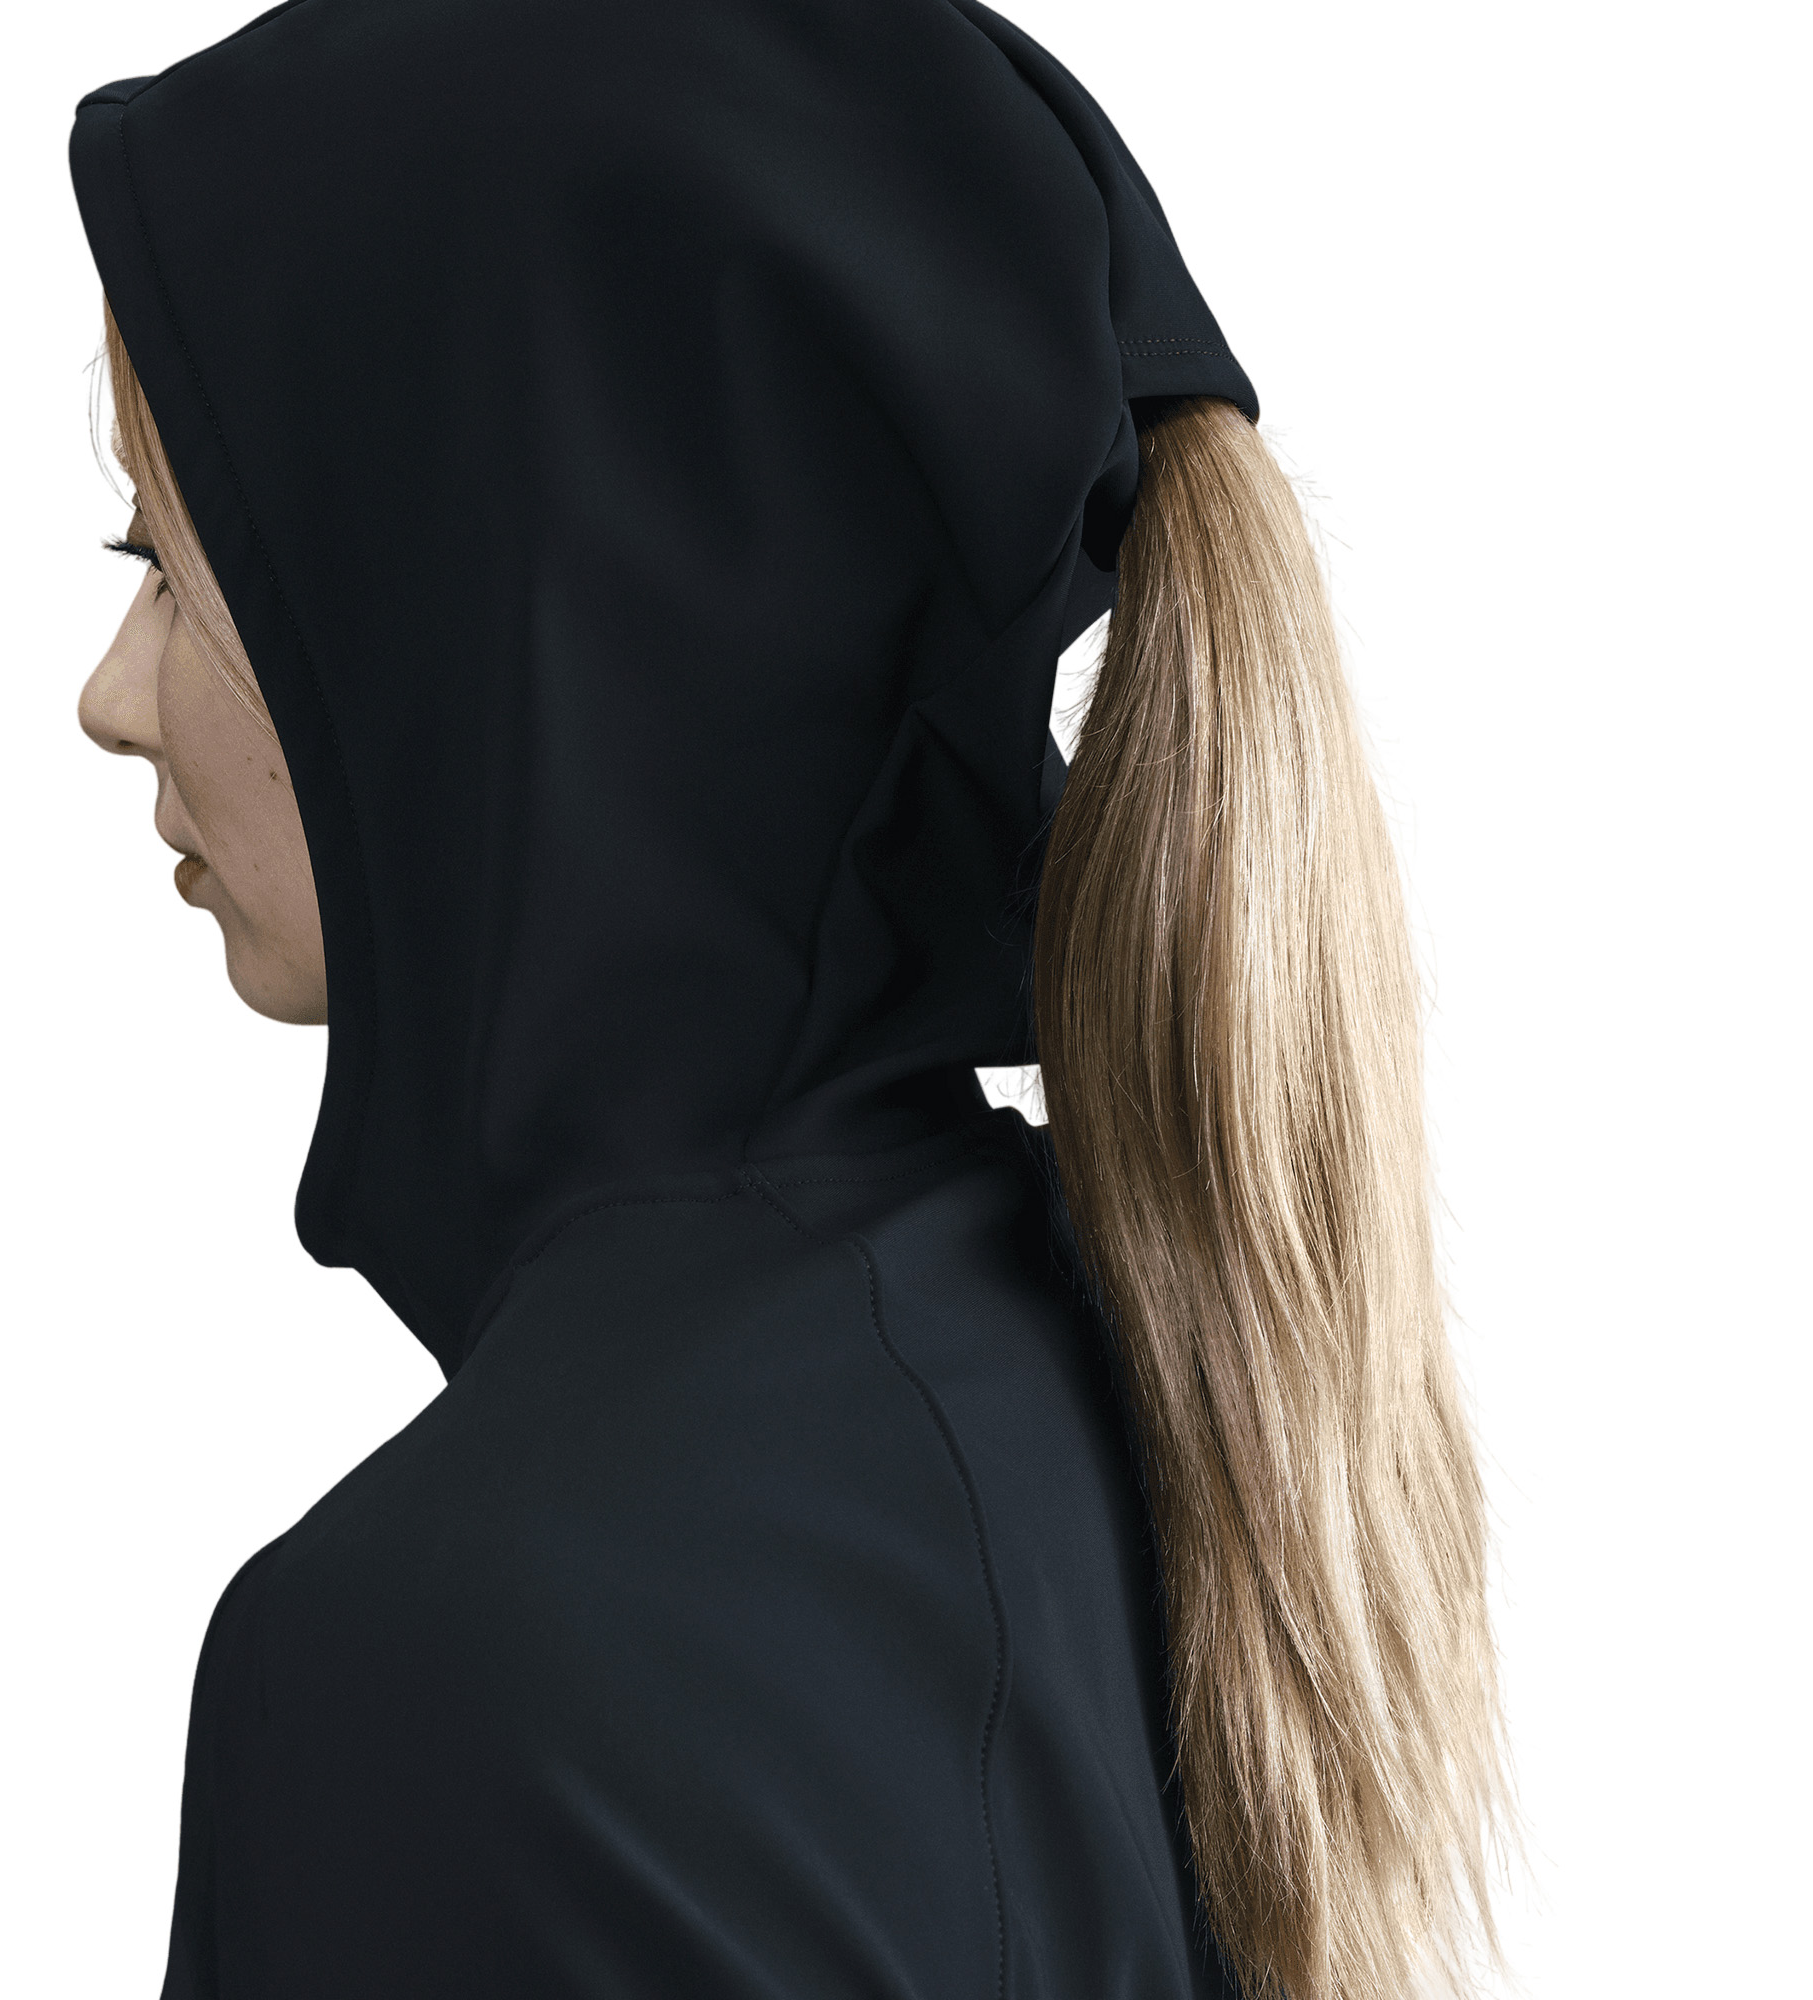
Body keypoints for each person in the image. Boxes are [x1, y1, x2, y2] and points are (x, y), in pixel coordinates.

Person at [73, 2, 1506, 1995]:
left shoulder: (451, 1679)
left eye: (169, 554)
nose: (110, 693)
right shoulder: (1113, 1380)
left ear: (478, 607)